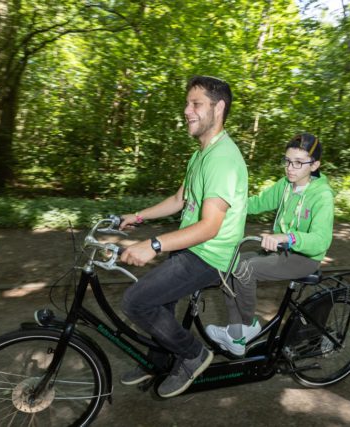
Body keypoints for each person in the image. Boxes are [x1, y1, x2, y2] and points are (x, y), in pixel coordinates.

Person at [118, 76, 248, 398]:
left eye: (195, 104)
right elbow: (179, 201)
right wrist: (137, 216)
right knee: (160, 303)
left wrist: (154, 244)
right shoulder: (201, 155)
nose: (186, 111)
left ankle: (193, 354)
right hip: (191, 247)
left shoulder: (223, 159)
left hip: (210, 256)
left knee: (136, 302)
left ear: (218, 108)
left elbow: (210, 227)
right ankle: (157, 362)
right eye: (187, 104)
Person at [205, 132, 334, 356]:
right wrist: (222, 205)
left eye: (298, 163)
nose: (290, 168)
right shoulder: (286, 185)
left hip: (305, 257)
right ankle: (236, 335)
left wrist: (287, 237)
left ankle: (248, 326)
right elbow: (256, 203)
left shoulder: (322, 195)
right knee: (227, 262)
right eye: (287, 161)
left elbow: (320, 240)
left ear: (315, 165)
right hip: (282, 252)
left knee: (247, 269)